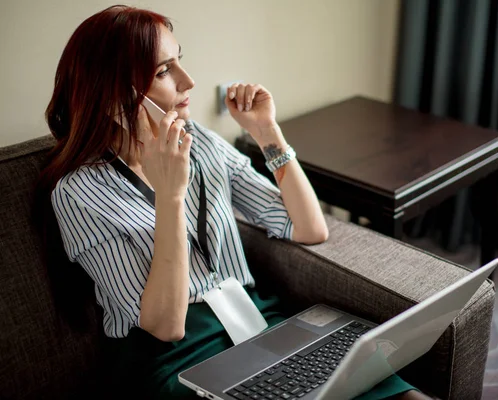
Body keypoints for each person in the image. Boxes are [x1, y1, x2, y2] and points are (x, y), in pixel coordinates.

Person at [36, 5, 429, 400]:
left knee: (397, 392)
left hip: (259, 325)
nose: (187, 81)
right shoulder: (78, 193)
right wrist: (170, 196)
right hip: (176, 361)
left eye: (179, 62)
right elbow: (165, 325)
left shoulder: (201, 142)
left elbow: (311, 228)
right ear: (113, 98)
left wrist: (267, 132)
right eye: (162, 72)